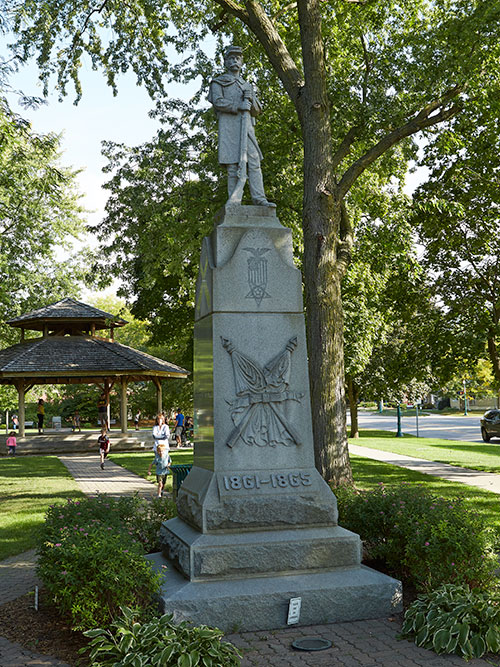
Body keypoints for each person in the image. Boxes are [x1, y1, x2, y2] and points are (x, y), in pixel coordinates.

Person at [208, 45, 275, 207]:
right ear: (225, 62)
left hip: (247, 131)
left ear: (242, 62)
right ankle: (234, 201)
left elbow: (257, 109)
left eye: (237, 58)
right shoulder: (218, 82)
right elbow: (217, 101)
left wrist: (250, 100)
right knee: (233, 166)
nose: (234, 61)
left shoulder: (247, 86)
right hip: (230, 128)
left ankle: (259, 198)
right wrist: (238, 105)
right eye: (231, 58)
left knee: (254, 162)